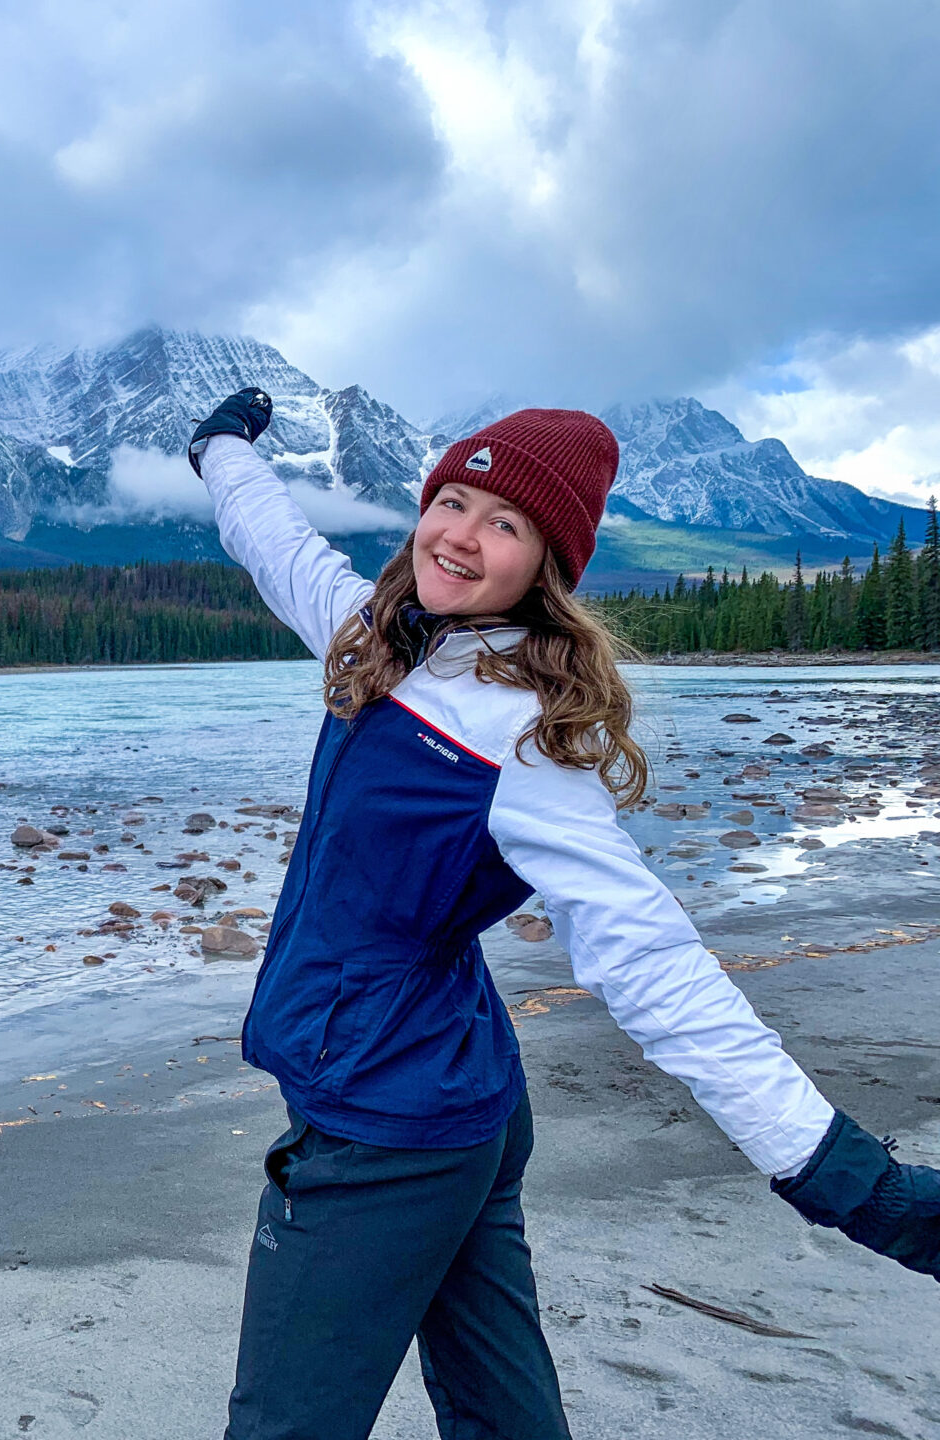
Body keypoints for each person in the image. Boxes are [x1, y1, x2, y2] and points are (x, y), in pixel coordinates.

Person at [185, 389, 940, 1440]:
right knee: (505, 1414)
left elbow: (653, 962)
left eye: (508, 526)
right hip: (463, 1102)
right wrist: (221, 450)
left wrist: (847, 1180)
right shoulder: (375, 639)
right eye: (453, 499)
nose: (462, 535)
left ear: (547, 568)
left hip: (386, 1130)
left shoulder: (520, 746)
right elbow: (276, 545)